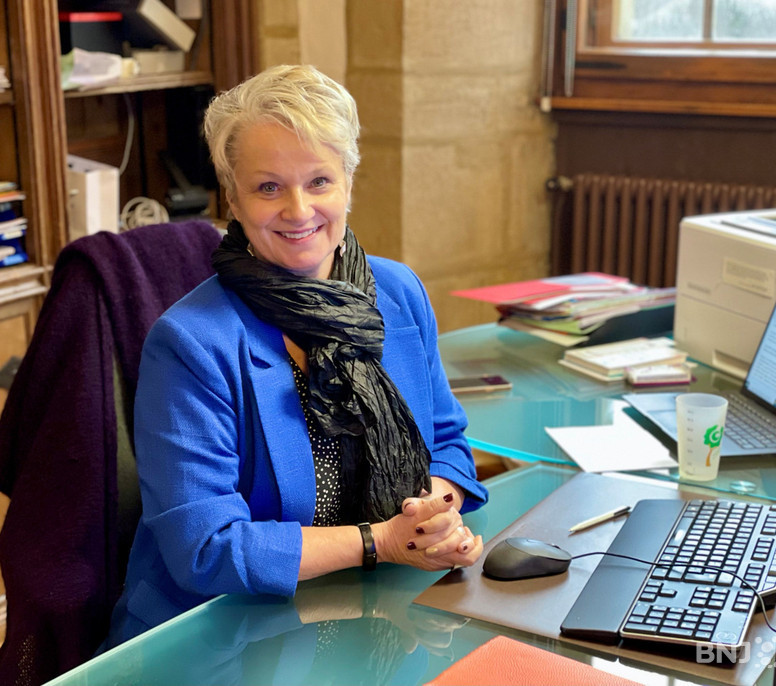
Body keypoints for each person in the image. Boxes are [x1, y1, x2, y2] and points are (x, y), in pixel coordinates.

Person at [105, 64, 488, 647]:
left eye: (319, 181)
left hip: (373, 608)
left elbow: (449, 443)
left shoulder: (399, 292)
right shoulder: (189, 343)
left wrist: (431, 516)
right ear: (232, 198)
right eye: (268, 187)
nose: (298, 210)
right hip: (223, 636)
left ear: (348, 183)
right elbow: (206, 547)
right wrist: (381, 541)